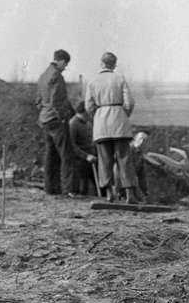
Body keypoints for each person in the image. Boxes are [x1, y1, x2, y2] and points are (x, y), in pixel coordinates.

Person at [84, 52, 138, 203]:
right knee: (124, 158)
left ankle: (109, 193)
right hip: (119, 122)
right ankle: (129, 195)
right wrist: (122, 113)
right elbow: (129, 103)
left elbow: (88, 106)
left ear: (101, 63)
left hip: (101, 125)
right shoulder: (120, 78)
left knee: (105, 160)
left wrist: (98, 115)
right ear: (114, 64)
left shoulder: (93, 81)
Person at [36, 49, 76, 196]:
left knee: (50, 155)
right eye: (65, 63)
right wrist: (63, 117)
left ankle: (50, 188)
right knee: (66, 155)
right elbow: (56, 101)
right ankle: (68, 190)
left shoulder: (43, 75)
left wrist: (44, 112)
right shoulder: (56, 76)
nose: (65, 67)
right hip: (56, 121)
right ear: (60, 61)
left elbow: (38, 101)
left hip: (45, 120)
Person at [68, 101, 99, 196]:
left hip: (93, 158)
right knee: (83, 188)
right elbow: (72, 145)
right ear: (84, 111)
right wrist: (86, 156)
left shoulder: (88, 123)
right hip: (81, 161)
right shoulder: (73, 124)